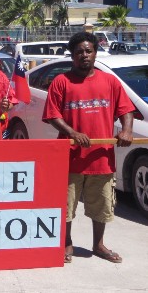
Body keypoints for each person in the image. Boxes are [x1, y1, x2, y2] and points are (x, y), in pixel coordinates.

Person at [42, 31, 134, 265]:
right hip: (70, 156)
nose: (84, 55)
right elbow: (52, 115)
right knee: (66, 204)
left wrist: (126, 131)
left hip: (101, 157)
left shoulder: (110, 81)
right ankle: (66, 242)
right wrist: (73, 133)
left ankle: (98, 244)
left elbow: (126, 110)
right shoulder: (62, 81)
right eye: (79, 52)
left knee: (101, 204)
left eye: (88, 51)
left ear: (94, 52)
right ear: (72, 56)